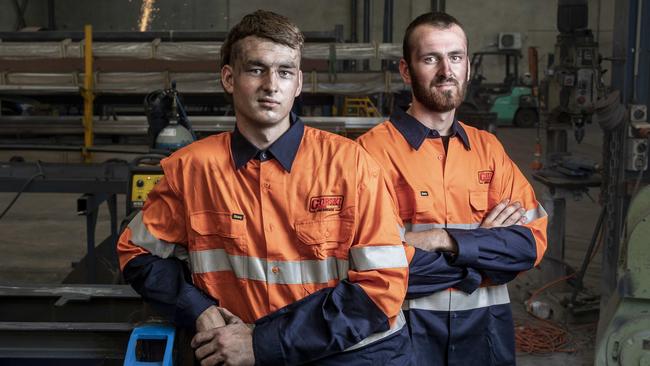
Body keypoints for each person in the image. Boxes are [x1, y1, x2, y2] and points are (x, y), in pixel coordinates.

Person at [117, 10, 413, 366]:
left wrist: (262, 343)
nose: (272, 85)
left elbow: (382, 288)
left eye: (285, 72)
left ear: (298, 83)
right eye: (257, 69)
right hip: (235, 353)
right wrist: (197, 308)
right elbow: (135, 254)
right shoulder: (192, 169)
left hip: (352, 356)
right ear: (229, 77)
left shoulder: (353, 167)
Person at [357, 12, 548, 366]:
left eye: (456, 57)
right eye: (431, 58)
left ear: (468, 67)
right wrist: (482, 252)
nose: (447, 70)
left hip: (484, 338)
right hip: (404, 337)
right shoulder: (370, 153)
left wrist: (447, 240)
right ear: (405, 70)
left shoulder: (488, 149)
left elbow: (528, 247)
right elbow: (373, 267)